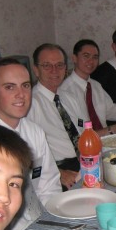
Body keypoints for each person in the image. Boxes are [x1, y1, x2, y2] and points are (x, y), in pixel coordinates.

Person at [0, 57, 62, 230]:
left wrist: (55, 221)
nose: (21, 94)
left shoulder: (34, 131)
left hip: (41, 223)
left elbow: (48, 183)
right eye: (10, 87)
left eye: (25, 86)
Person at [59, 39, 116, 136]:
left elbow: (111, 110)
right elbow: (79, 135)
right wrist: (112, 129)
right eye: (86, 56)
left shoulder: (95, 85)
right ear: (74, 58)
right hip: (85, 146)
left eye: (95, 57)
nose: (91, 61)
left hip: (105, 140)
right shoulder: (65, 91)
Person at [27, 43, 80, 191]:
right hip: (57, 170)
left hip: (83, 162)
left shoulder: (70, 98)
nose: (54, 71)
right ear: (36, 70)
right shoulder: (30, 104)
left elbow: (82, 131)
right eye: (47, 66)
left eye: (59, 65)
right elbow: (26, 154)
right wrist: (59, 173)